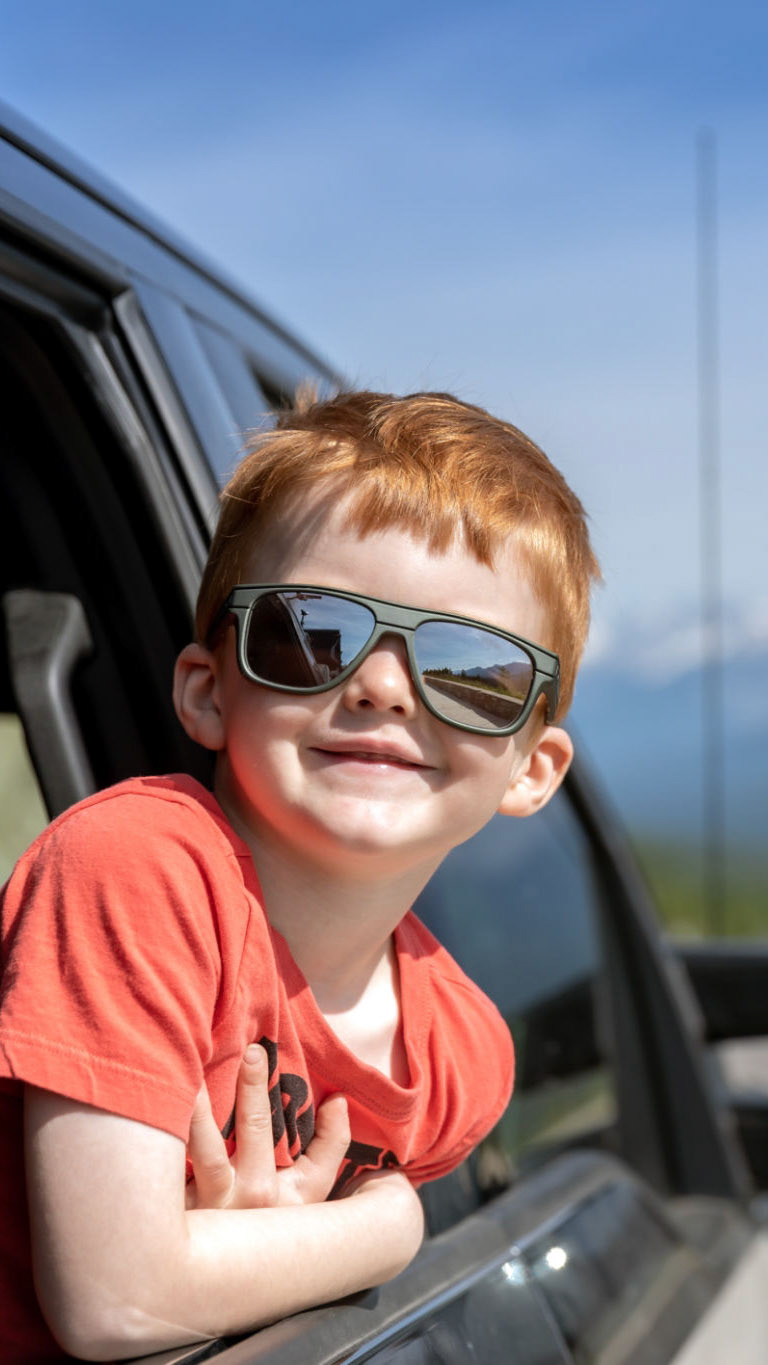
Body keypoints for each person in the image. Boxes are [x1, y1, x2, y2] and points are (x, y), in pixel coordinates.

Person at [0, 389, 598, 1360]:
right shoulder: (136, 869)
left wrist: (242, 1249)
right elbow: (115, 1299)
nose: (381, 685)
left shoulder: (460, 1057)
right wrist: (388, 1226)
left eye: (471, 672)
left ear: (531, 770)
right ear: (207, 690)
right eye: (309, 634)